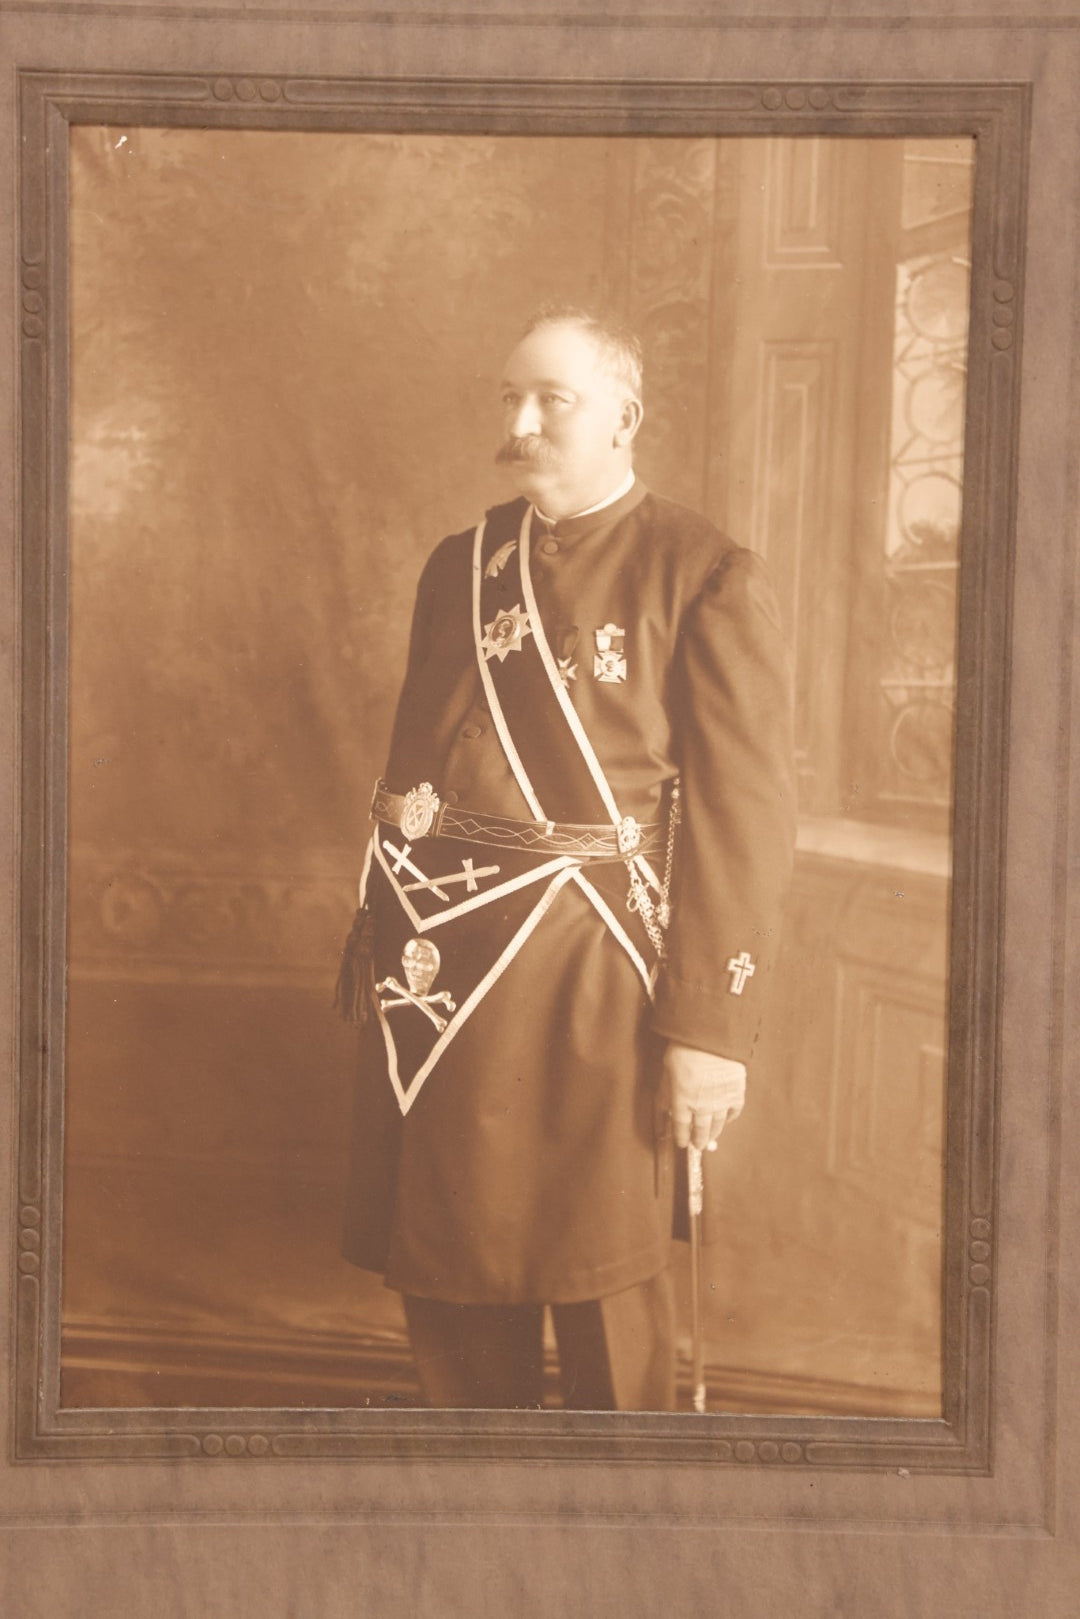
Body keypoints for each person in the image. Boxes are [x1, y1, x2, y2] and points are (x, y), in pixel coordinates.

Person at [339, 305, 796, 1411]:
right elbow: (413, 772)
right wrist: (377, 937)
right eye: (511, 396)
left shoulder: (704, 572)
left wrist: (708, 1032)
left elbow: (747, 818)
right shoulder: (461, 565)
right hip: (445, 975)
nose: (523, 418)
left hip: (596, 976)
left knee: (602, 1278)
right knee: (451, 1268)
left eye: (554, 399)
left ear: (625, 419)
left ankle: (622, 1526)